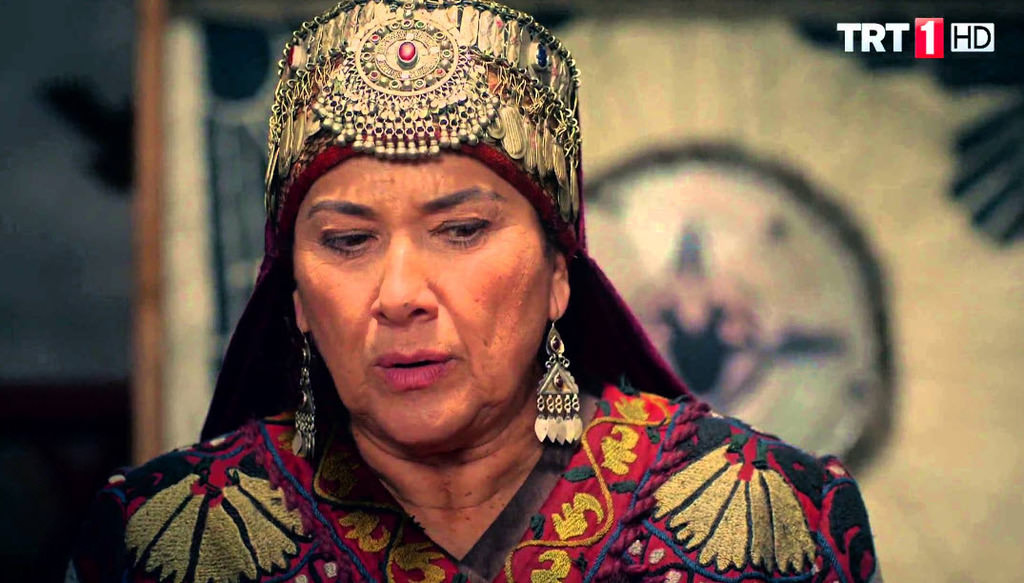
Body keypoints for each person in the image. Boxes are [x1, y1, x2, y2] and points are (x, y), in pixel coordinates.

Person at [69, 1, 880, 581]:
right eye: (347, 241)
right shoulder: (162, 540)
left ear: (559, 274)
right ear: (296, 299)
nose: (400, 294)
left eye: (461, 230)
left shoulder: (771, 519)